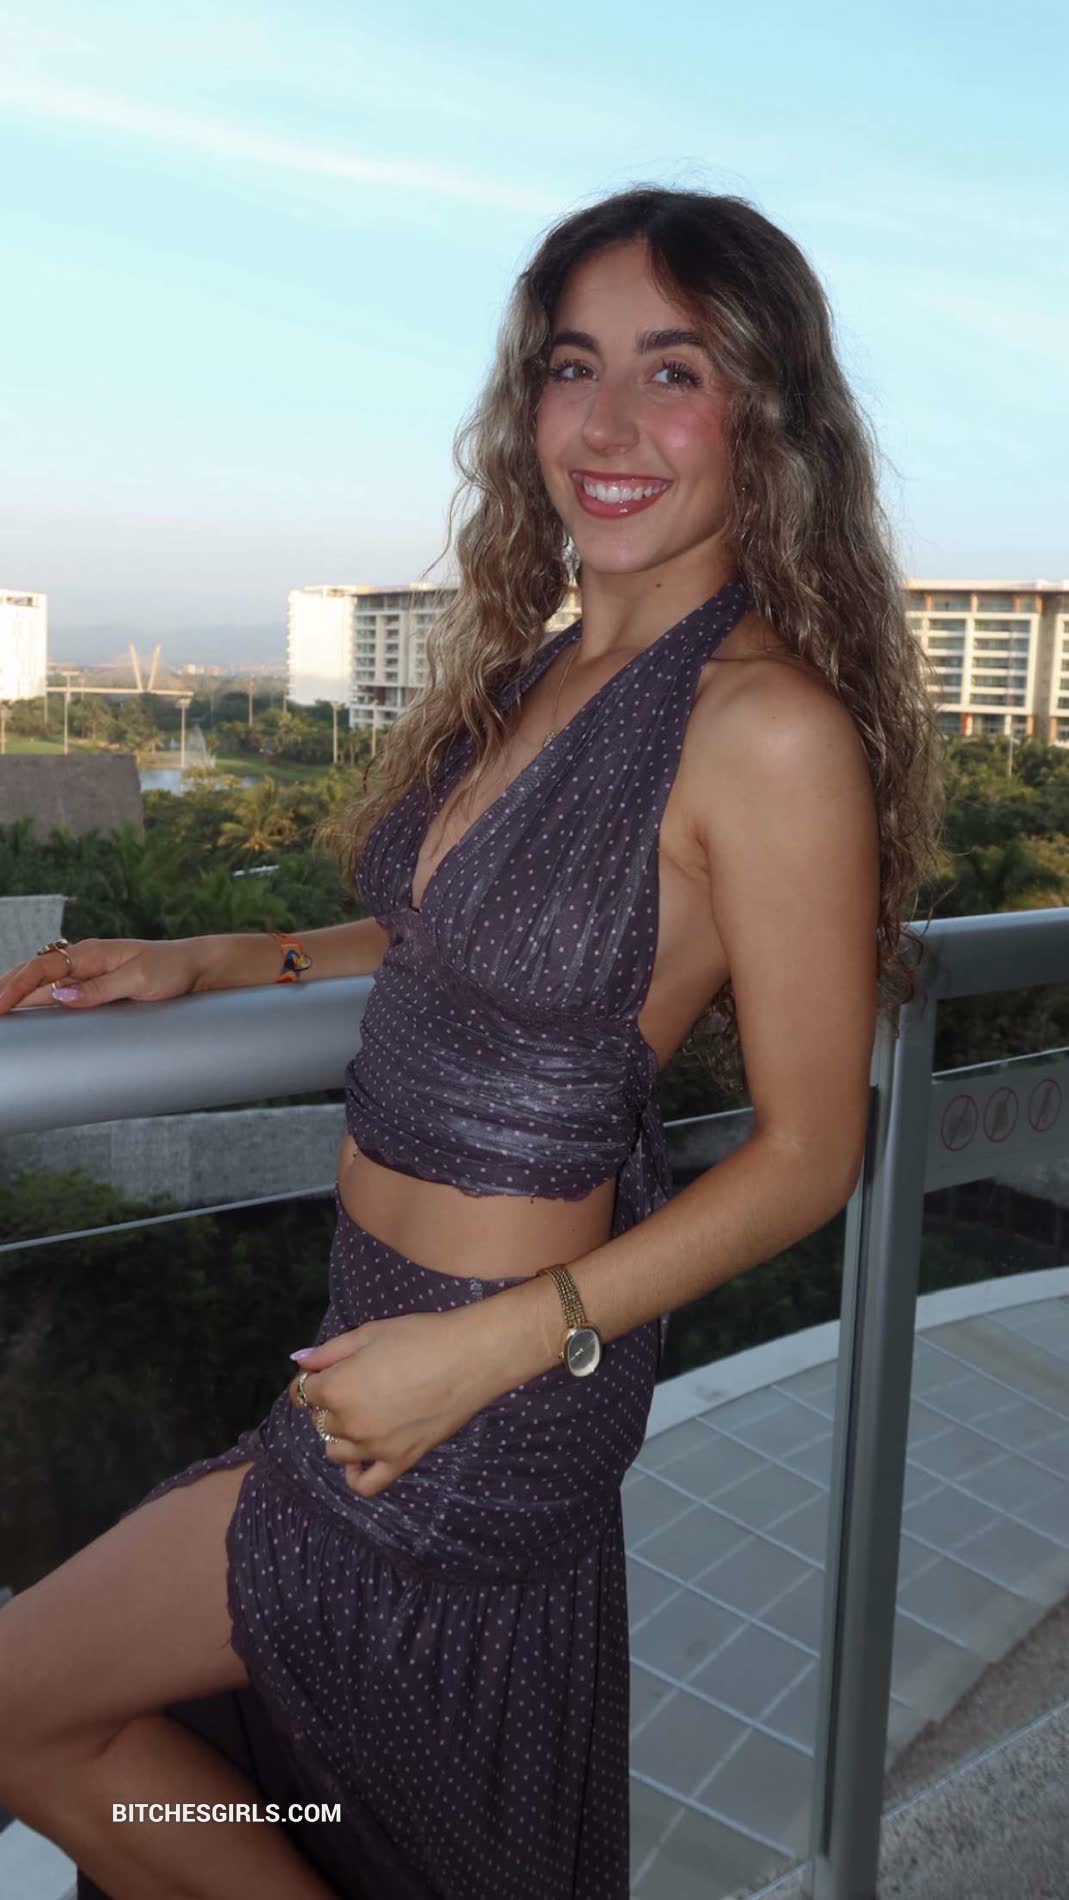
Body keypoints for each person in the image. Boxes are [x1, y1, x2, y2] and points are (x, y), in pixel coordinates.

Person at [0, 186, 943, 1899]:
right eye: (572, 366)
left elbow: (814, 1153)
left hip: (490, 1380)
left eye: (673, 371)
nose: (607, 422)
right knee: (263, 1781)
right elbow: (462, 928)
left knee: (29, 1709)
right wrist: (225, 956)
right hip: (386, 1333)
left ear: (768, 414)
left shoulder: (766, 731)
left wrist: (491, 1350)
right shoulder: (543, 672)